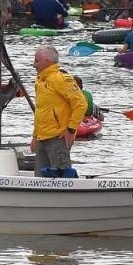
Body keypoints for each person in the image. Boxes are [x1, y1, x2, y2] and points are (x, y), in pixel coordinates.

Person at [31, 46, 86, 178]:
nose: (33, 65)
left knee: (62, 177)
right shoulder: (40, 81)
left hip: (58, 137)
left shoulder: (61, 79)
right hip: (42, 137)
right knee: (39, 177)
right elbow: (40, 111)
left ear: (47, 61)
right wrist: (35, 135)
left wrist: (71, 130)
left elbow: (81, 104)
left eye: (36, 61)